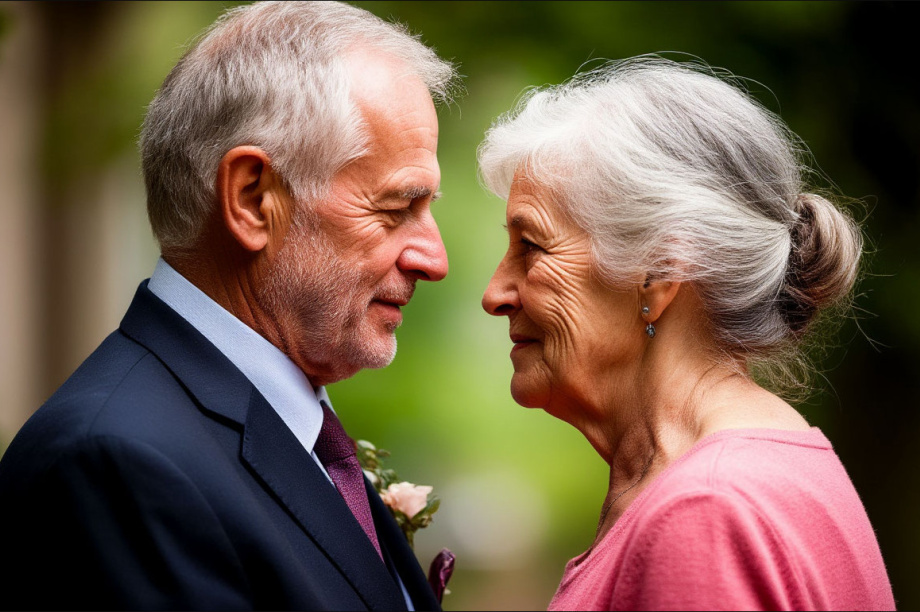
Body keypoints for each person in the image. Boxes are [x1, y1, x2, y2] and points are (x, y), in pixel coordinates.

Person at [0, 2, 458, 609]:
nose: (435, 257)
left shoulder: (271, 430)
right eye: (397, 208)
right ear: (252, 199)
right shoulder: (116, 465)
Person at [479, 57, 895, 611]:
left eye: (531, 246)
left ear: (659, 274)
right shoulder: (767, 466)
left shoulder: (705, 513)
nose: (495, 293)